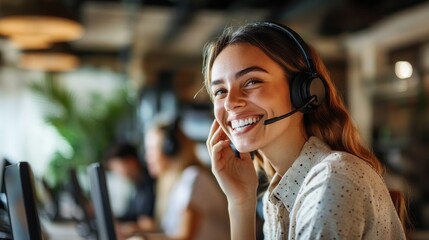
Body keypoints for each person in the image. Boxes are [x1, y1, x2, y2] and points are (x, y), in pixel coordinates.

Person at [203, 21, 407, 239]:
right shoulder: (279, 195)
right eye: (220, 91)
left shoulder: (332, 179)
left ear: (305, 91)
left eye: (252, 81)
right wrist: (240, 201)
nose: (230, 102)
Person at [142, 117, 230, 240]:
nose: (147, 157)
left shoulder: (193, 178)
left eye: (151, 149)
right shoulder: (173, 182)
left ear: (170, 149)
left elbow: (185, 237)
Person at [103, 142, 156, 236]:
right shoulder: (138, 185)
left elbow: (148, 221)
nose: (117, 173)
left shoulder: (150, 183)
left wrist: (130, 228)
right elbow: (130, 215)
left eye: (117, 168)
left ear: (131, 161)